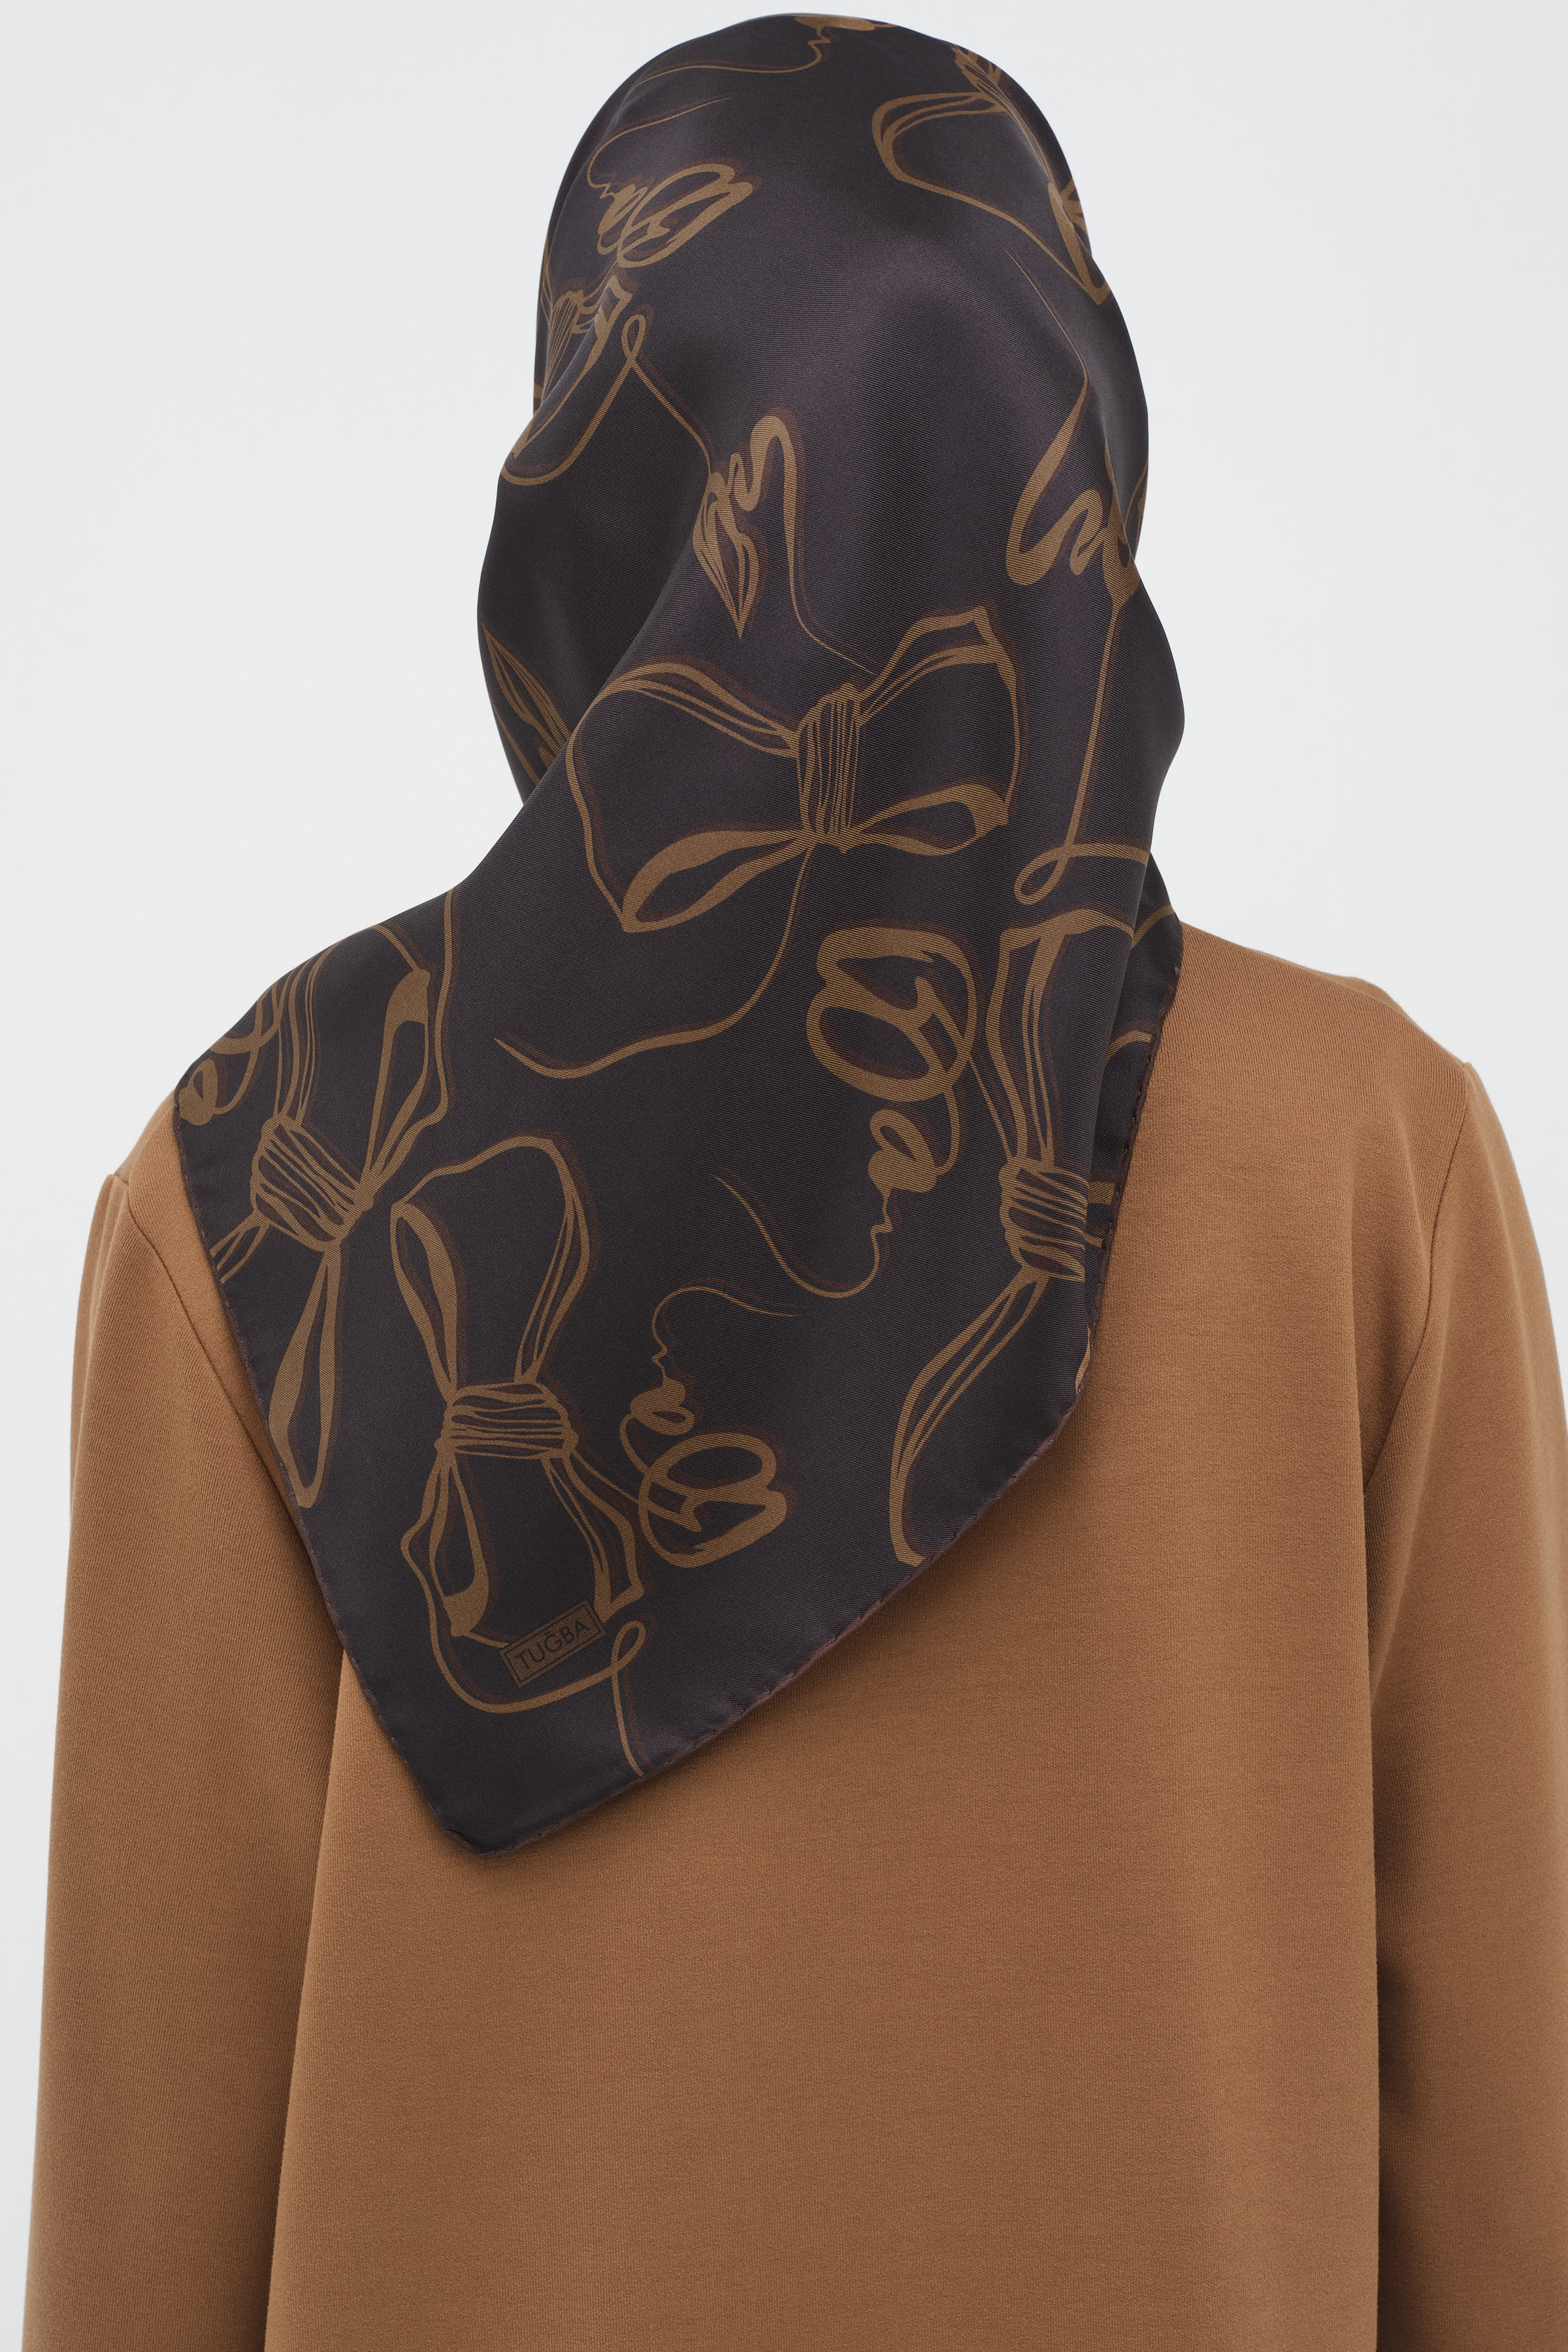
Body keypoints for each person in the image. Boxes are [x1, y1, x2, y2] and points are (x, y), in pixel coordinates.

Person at [22, 16, 1567, 2349]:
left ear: (583, 505)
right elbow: (1507, 2202)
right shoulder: (1366, 1162)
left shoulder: (267, 1195)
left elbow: (143, 2244)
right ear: (1085, 474)